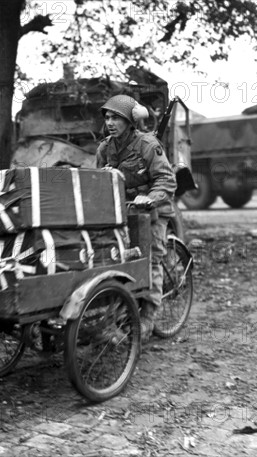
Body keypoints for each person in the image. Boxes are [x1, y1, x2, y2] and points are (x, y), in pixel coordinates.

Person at [95, 94, 177, 343]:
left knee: (150, 259)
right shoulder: (105, 148)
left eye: (117, 118)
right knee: (112, 261)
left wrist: (150, 197)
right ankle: (113, 317)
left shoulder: (148, 145)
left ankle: (148, 318)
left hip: (153, 211)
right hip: (122, 212)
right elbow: (94, 182)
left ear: (130, 121)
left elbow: (167, 180)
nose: (111, 122)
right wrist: (103, 177)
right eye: (108, 117)